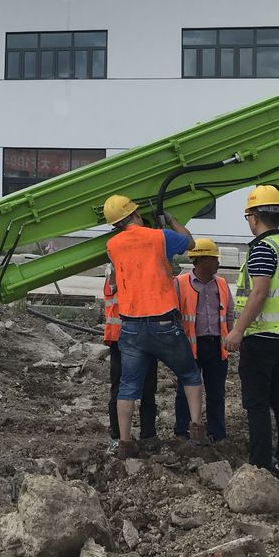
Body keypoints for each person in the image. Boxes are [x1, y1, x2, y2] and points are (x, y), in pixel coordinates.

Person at [103, 193, 205, 459]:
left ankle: (125, 442)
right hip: (163, 323)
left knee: (127, 387)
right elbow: (190, 242)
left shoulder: (112, 245)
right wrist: (170, 220)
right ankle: (196, 428)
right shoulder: (160, 237)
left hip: (131, 327)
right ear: (136, 213)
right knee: (189, 374)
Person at [224, 185, 279, 483]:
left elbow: (259, 293)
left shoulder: (262, 249)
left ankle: (259, 466)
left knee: (256, 403)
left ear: (254, 217)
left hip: (262, 335)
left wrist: (238, 330)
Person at [174, 238, 234, 443]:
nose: (218, 262)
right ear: (200, 260)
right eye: (214, 259)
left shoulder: (221, 284)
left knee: (216, 392)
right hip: (190, 347)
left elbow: (229, 313)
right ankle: (182, 430)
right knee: (185, 390)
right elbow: (174, 316)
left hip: (217, 345)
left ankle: (217, 433)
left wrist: (231, 336)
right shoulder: (180, 283)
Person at [103, 269, 159, 451]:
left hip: (136, 337)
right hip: (128, 338)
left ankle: (143, 435)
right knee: (128, 388)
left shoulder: (121, 269)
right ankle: (123, 437)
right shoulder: (120, 271)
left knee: (143, 388)